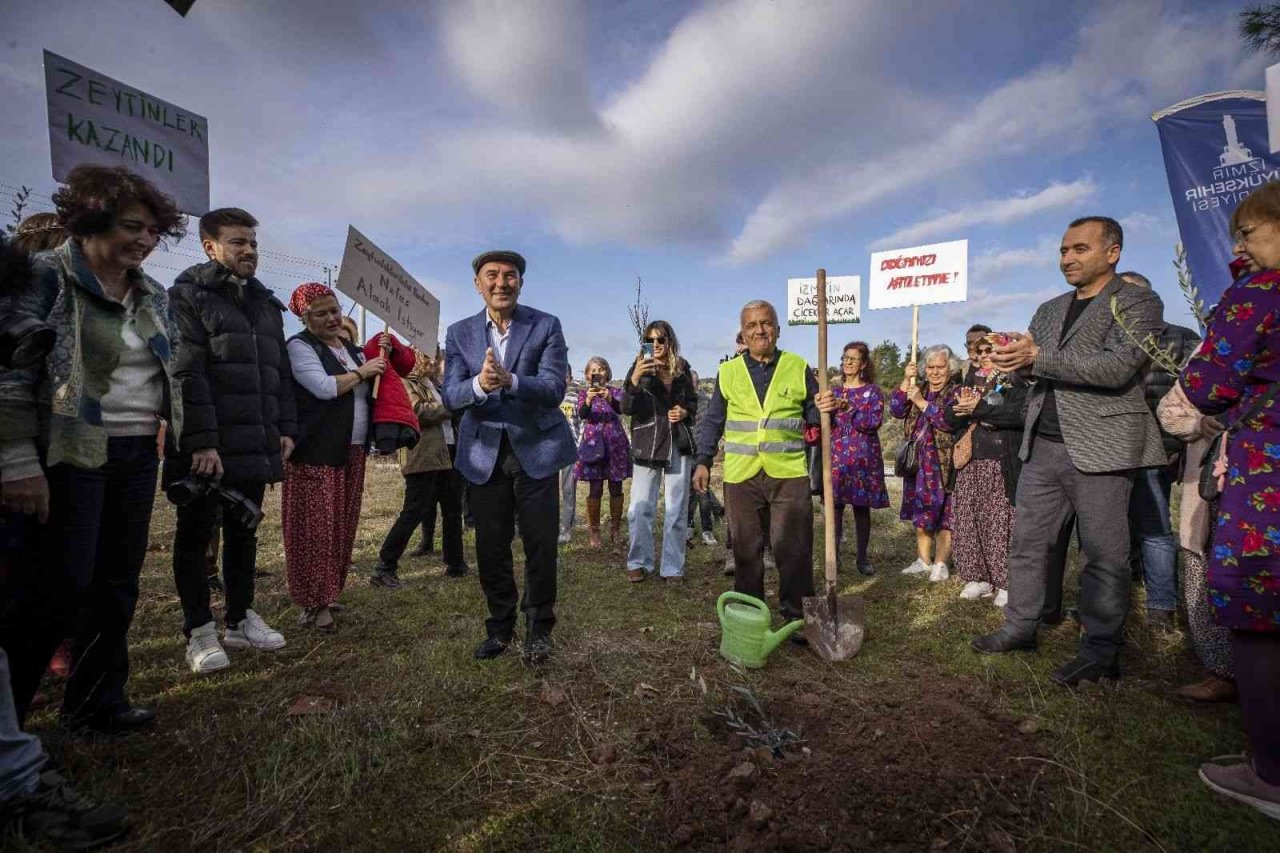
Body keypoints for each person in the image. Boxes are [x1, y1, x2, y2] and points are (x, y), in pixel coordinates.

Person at [0, 164, 185, 732]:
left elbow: (170, 375)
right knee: (56, 588)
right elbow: (9, 373)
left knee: (116, 582)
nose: (145, 241)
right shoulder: (44, 277)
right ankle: (13, 727)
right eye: (133, 226)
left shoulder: (151, 293)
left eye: (154, 232)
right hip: (68, 452)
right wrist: (15, 461)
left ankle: (97, 702)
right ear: (91, 219)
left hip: (133, 453)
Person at [971, 216, 1166, 688]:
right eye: (1063, 251)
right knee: (1028, 543)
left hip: (1103, 449)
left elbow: (1118, 368)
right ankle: (1021, 626)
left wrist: (1038, 358)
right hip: (1044, 446)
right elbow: (1035, 372)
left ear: (1112, 252)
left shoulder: (1138, 301)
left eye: (1079, 249)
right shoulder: (1049, 308)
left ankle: (1101, 651)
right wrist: (1011, 361)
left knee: (1103, 554)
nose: (1067, 259)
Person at [1182, 185, 1280, 817]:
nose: (1239, 246)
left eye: (1247, 233)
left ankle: (1271, 774)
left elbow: (1206, 383)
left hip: (1269, 466)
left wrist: (1237, 295)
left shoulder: (1258, 295)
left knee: (1262, 600)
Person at [166, 207, 296, 674]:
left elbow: (277, 373)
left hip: (253, 440)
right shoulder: (186, 296)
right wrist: (200, 441)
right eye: (239, 242)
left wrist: (284, 429)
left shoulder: (265, 304)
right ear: (210, 247)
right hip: (207, 445)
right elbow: (185, 371)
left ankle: (239, 619)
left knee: (244, 530)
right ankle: (199, 630)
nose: (249, 252)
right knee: (196, 536)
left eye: (254, 244)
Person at [441, 250, 575, 664]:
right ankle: (500, 626)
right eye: (492, 276)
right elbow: (450, 394)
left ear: (521, 282)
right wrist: (480, 384)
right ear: (478, 284)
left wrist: (511, 380)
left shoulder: (545, 325)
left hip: (536, 449)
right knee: (490, 545)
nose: (502, 283)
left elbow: (554, 388)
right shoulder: (460, 332)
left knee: (539, 543)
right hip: (484, 454)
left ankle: (539, 626)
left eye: (510, 275)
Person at [693, 300, 838, 622]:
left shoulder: (797, 366)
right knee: (746, 550)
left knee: (795, 549)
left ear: (777, 329)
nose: (760, 330)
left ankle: (797, 616)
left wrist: (826, 406)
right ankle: (749, 616)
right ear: (742, 334)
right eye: (752, 325)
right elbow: (713, 420)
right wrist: (703, 460)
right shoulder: (728, 372)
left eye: (766, 323)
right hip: (741, 475)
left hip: (788, 474)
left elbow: (814, 415)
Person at [283, 284, 385, 632]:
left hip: (352, 448)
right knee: (315, 530)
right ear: (305, 316)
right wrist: (363, 372)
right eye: (321, 313)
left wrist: (378, 359)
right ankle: (312, 603)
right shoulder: (299, 347)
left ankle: (329, 591)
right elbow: (323, 387)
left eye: (335, 310)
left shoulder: (349, 349)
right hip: (316, 450)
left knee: (341, 526)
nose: (332, 318)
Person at [1118, 270, 1200, 630]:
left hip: (1155, 451)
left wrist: (1176, 447)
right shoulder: (1110, 340)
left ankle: (1160, 607)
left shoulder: (1182, 340)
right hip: (1110, 448)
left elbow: (1192, 399)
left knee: (1154, 526)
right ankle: (1113, 597)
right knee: (1110, 527)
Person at [1157, 383, 1235, 702]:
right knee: (1201, 572)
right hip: (1209, 489)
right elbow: (1168, 409)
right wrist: (1197, 424)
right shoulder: (1211, 354)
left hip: (1263, 485)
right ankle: (1220, 671)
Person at [373, 350, 466, 585]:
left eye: (435, 356)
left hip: (450, 453)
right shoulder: (404, 382)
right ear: (413, 357)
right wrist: (451, 405)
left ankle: (456, 564)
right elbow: (417, 412)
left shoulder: (437, 385)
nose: (432, 361)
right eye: (425, 356)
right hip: (424, 455)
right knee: (414, 511)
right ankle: (385, 565)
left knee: (453, 511)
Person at [945, 338, 1026, 607]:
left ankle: (1005, 581)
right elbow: (948, 419)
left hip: (1001, 462)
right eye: (978, 351)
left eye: (989, 350)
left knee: (1000, 522)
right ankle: (976, 576)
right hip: (970, 463)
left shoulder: (1018, 383)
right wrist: (962, 408)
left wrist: (979, 409)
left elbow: (1018, 415)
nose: (983, 355)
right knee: (969, 519)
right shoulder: (968, 384)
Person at [623, 323, 697, 582]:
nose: (655, 345)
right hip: (648, 442)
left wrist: (684, 412)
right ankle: (638, 561)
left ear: (670, 341)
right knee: (640, 507)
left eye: (660, 340)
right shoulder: (638, 368)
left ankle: (672, 567)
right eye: (649, 340)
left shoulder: (682, 368)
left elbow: (693, 403)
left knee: (676, 508)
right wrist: (634, 380)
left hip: (677, 442)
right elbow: (626, 407)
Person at [890, 345, 959, 582]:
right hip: (917, 463)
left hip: (942, 462)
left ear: (950, 369)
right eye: (930, 367)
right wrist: (905, 380)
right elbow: (896, 409)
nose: (935, 372)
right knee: (920, 512)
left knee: (944, 514)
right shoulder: (917, 388)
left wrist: (921, 402)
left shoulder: (956, 392)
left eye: (941, 367)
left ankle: (941, 563)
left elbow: (948, 422)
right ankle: (923, 559)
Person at [829, 341, 889, 575]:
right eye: (845, 358)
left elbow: (873, 422)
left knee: (861, 510)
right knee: (835, 509)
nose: (848, 362)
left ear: (863, 364)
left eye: (854, 359)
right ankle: (833, 557)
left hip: (863, 459)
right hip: (837, 457)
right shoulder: (834, 392)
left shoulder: (872, 392)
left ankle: (862, 558)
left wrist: (850, 409)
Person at [575, 357, 631, 551]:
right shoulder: (584, 394)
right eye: (593, 370)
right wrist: (590, 399)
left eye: (600, 369)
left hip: (615, 446)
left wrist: (608, 397)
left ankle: (615, 529)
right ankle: (594, 530)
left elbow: (621, 409)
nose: (597, 373)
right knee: (595, 489)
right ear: (587, 375)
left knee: (616, 488)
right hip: (594, 447)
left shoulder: (615, 392)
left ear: (607, 373)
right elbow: (582, 414)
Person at [557, 366, 582, 544]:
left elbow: (581, 423)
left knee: (568, 490)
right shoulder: (548, 395)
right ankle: (552, 524)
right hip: (551, 449)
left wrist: (579, 445)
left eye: (564, 374)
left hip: (570, 448)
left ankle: (566, 527)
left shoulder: (576, 396)